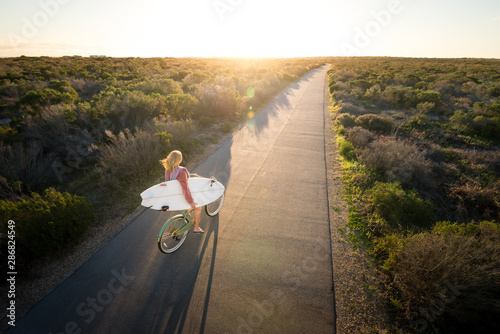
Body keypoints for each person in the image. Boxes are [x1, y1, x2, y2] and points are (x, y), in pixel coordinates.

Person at [159, 150, 204, 233]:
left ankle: (185, 214)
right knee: (198, 207)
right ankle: (196, 228)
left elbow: (168, 184)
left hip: (174, 196)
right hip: (182, 196)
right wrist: (191, 202)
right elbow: (185, 188)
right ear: (179, 160)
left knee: (189, 208)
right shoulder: (181, 171)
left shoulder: (168, 169)